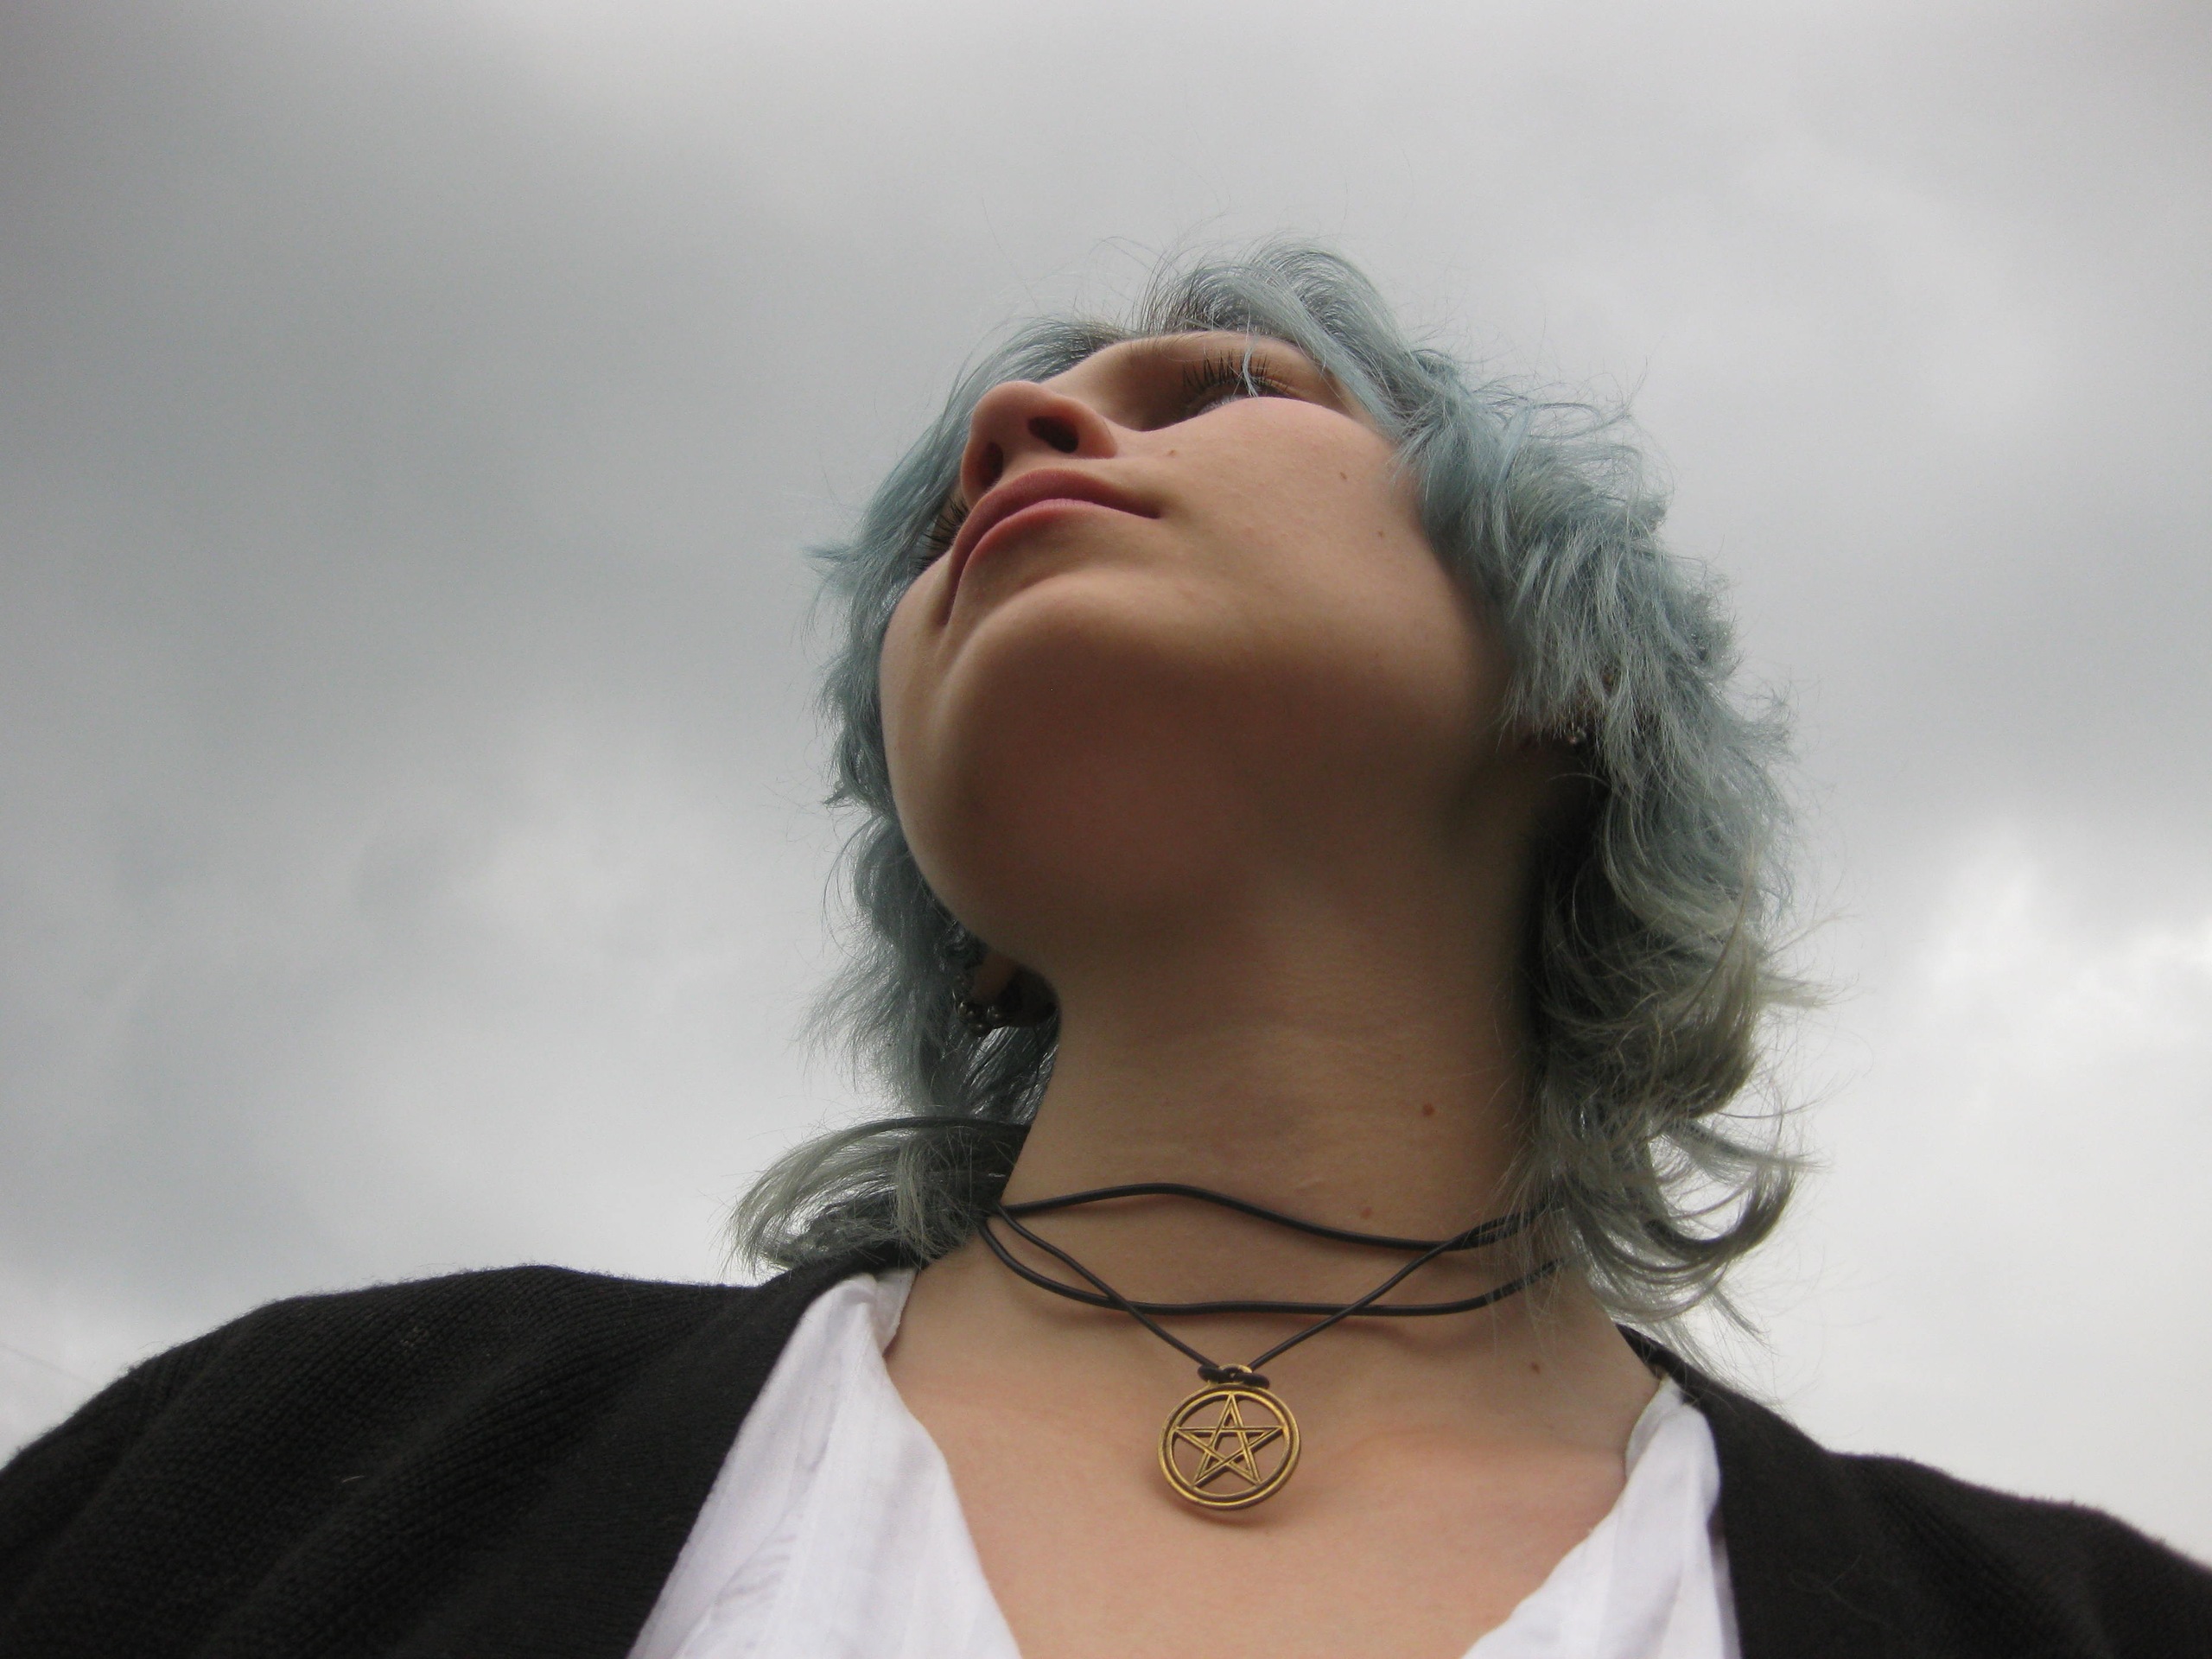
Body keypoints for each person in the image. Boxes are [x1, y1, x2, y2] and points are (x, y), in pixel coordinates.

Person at [0, 243, 2203, 1659]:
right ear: (955, 920)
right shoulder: (279, 1464)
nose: (1014, 437)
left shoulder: (2073, 1626)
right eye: (939, 527)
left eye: (1223, 390)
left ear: (1571, 684)